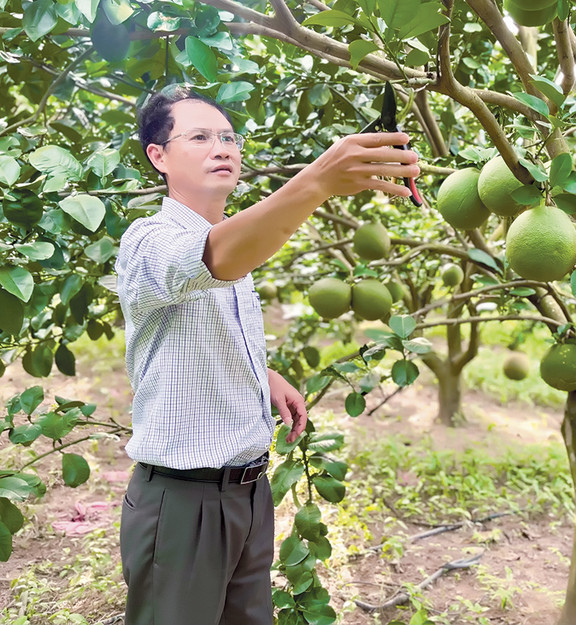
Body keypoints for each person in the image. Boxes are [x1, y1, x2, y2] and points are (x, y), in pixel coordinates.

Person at [115, 84, 420, 625]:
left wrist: (264, 373)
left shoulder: (236, 243)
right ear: (158, 157)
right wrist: (317, 182)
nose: (223, 147)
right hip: (184, 502)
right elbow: (210, 262)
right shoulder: (149, 239)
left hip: (250, 492)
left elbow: (202, 317)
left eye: (229, 137)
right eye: (201, 136)